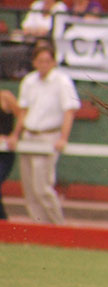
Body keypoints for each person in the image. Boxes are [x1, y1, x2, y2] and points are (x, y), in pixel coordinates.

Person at [7, 45, 79, 225]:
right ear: (34, 62)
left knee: (42, 187)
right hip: (29, 137)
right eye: (40, 61)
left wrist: (63, 138)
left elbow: (69, 112)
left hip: (48, 137)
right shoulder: (29, 81)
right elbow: (24, 111)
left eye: (47, 61)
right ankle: (39, 229)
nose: (43, 65)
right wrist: (16, 135)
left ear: (53, 62)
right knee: (30, 189)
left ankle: (58, 227)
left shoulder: (62, 81)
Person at [0, 90, 17, 220]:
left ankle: (3, 221)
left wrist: (14, 135)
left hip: (4, 153)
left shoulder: (5, 96)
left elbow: (23, 115)